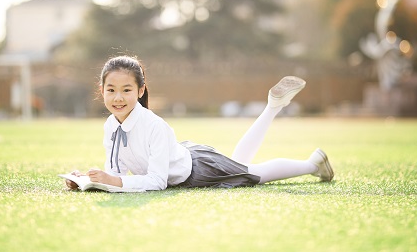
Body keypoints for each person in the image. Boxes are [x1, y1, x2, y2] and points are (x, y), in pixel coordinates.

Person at [65, 55, 334, 191]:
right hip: (186, 157)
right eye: (111, 90)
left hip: (198, 170)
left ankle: (313, 164)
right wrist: (90, 181)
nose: (118, 97)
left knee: (255, 174)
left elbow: (157, 182)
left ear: (141, 90)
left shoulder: (154, 126)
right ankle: (273, 108)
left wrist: (114, 182)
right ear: (101, 91)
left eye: (126, 89)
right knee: (243, 165)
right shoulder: (111, 126)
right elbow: (117, 173)